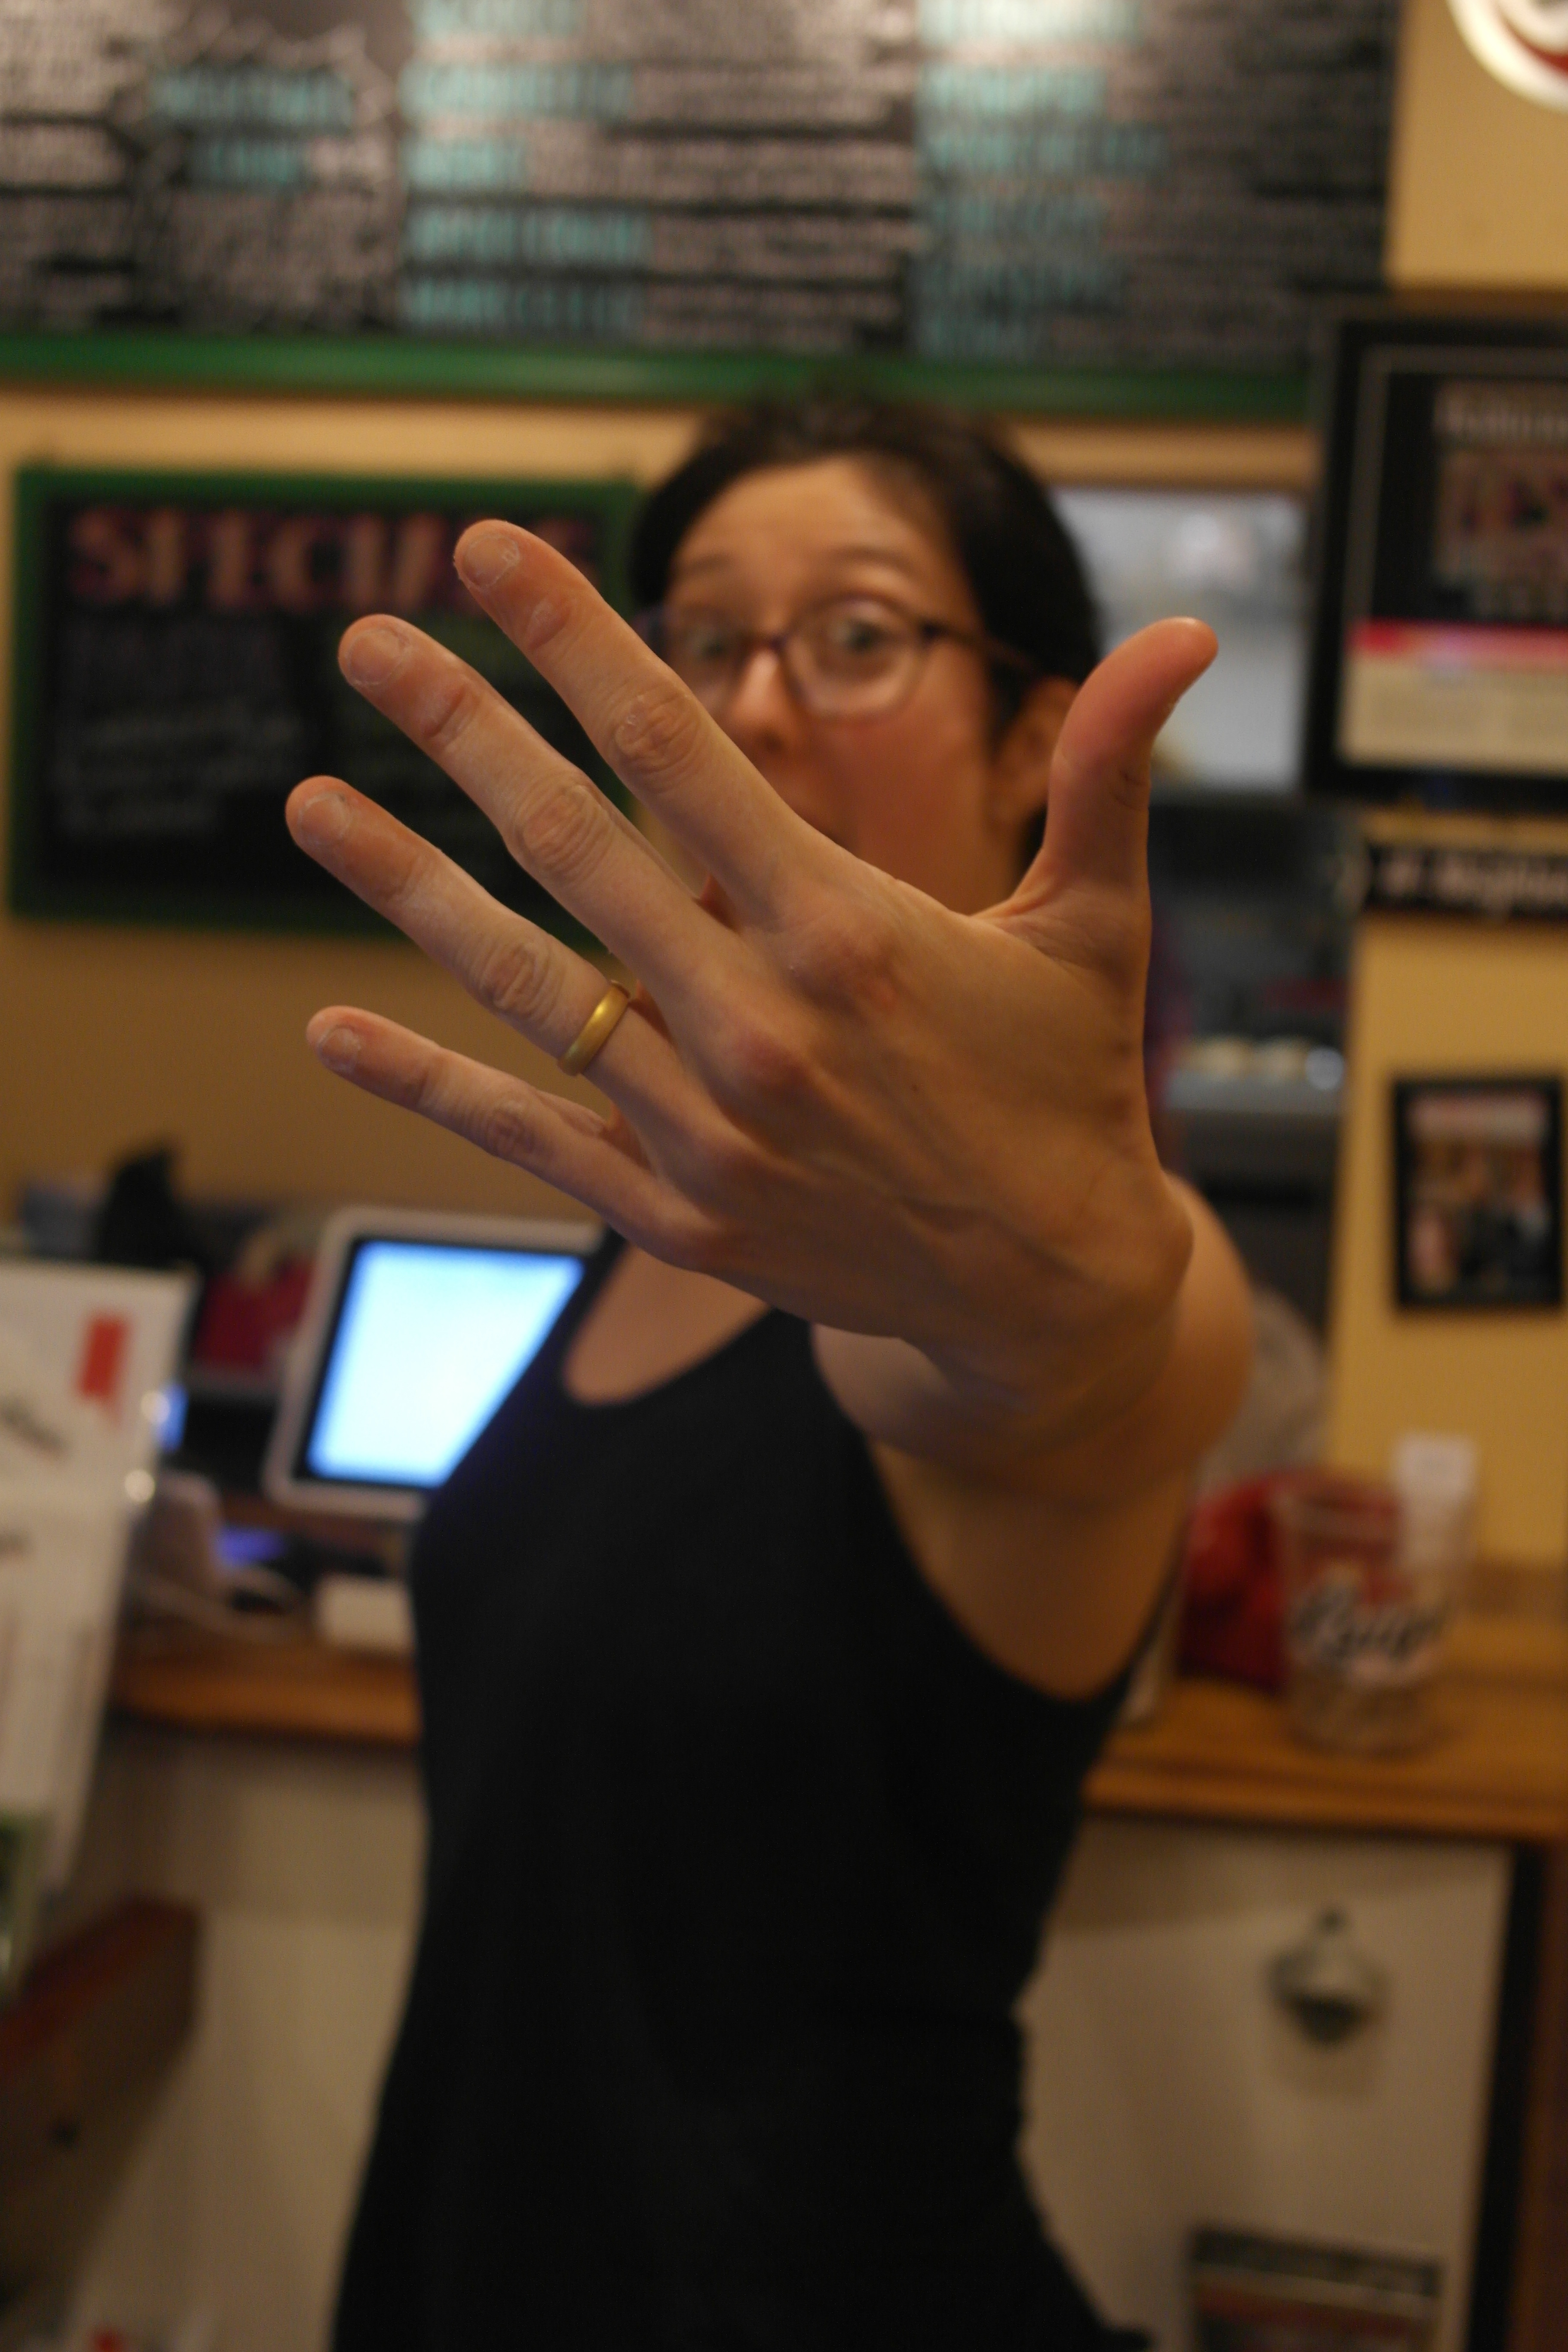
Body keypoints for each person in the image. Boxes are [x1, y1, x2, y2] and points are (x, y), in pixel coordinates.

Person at [285, 397, 1254, 2349]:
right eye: (708, 640)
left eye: (859, 636)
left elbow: (1090, 1365)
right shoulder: (678, 1208)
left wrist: (1060, 1303)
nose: (746, 710)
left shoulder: (1024, 1261)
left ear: (1031, 741)